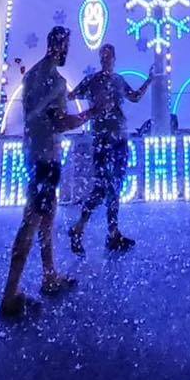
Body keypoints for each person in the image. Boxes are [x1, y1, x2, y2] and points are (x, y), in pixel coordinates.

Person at [0, 26, 93, 319]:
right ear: (60, 46)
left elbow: (35, 117)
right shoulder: (54, 81)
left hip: (34, 153)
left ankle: (50, 275)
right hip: (46, 160)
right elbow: (60, 122)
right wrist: (91, 113)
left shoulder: (33, 75)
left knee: (46, 217)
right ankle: (10, 293)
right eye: (65, 45)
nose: (66, 51)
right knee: (32, 221)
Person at [68, 45, 151, 255]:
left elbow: (134, 96)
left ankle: (112, 232)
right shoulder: (93, 80)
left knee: (114, 187)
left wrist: (149, 81)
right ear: (101, 58)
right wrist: (92, 110)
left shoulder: (117, 80)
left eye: (109, 56)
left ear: (113, 58)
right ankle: (81, 227)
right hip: (104, 139)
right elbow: (71, 95)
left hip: (118, 139)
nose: (106, 60)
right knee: (104, 187)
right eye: (103, 56)